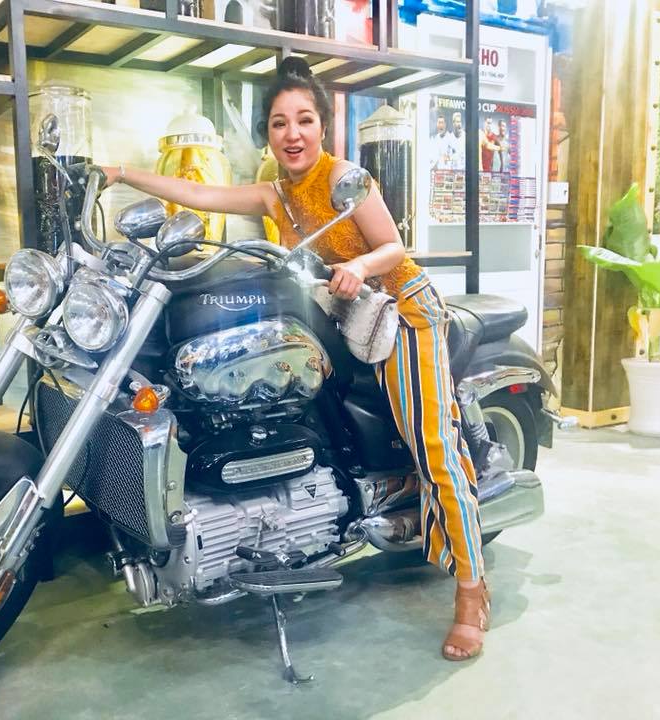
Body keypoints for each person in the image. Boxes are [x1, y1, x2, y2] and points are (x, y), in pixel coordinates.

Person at [102, 57, 489, 661]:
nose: (293, 134)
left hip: (399, 313)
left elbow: (392, 246)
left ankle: (470, 590)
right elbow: (199, 193)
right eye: (280, 123)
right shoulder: (274, 194)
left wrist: (359, 264)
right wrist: (121, 173)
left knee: (433, 445)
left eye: (305, 120)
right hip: (340, 319)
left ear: (323, 126)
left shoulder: (345, 179)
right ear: (268, 134)